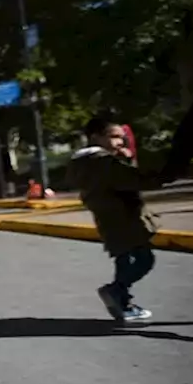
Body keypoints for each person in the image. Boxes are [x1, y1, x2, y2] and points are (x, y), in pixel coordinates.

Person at [68, 117, 160, 324]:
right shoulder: (104, 162)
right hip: (122, 216)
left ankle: (123, 304)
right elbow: (131, 179)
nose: (120, 142)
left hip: (109, 217)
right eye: (114, 137)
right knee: (144, 260)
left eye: (122, 137)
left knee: (124, 259)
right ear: (95, 137)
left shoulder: (85, 162)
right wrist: (129, 160)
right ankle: (116, 291)